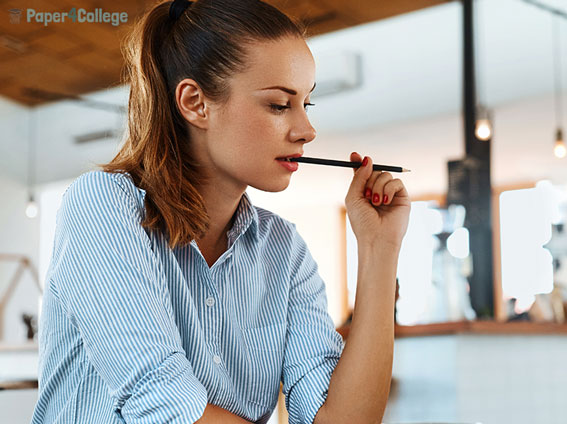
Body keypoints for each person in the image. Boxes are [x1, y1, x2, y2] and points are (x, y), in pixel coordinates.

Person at [30, 0, 410, 423]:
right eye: (280, 105)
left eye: (307, 104)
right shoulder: (103, 205)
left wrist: (379, 248)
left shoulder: (284, 252)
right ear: (195, 103)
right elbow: (164, 407)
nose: (306, 130)